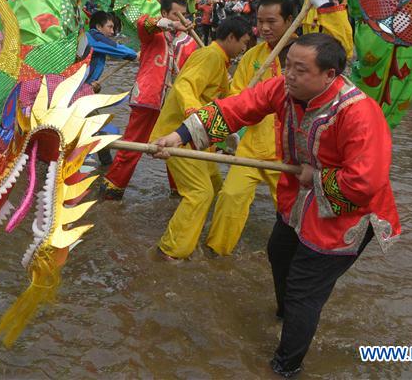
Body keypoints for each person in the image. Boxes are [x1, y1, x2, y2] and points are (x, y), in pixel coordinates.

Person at [154, 33, 399, 377]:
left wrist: (315, 176)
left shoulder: (358, 112)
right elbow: (237, 108)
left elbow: (364, 182)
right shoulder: (283, 90)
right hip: (301, 199)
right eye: (287, 66)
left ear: (330, 74)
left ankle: (286, 366)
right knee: (278, 252)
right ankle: (290, 317)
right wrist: (178, 136)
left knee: (304, 288)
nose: (290, 76)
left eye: (301, 69)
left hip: (346, 213)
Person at [206, 0, 353, 256]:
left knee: (297, 210)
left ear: (289, 20)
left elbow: (343, 47)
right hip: (251, 148)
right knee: (230, 197)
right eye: (260, 22)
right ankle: (217, 254)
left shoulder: (306, 53)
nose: (264, 28)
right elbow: (238, 98)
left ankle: (307, 255)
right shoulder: (253, 57)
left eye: (271, 21)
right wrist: (229, 131)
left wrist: (328, 8)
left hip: (291, 152)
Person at [151, 17, 253, 259]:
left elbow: (226, 100)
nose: (244, 49)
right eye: (244, 43)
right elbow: (184, 86)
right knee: (200, 193)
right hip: (179, 134)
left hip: (202, 139)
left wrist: (227, 134)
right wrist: (194, 116)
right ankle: (171, 251)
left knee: (216, 186)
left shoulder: (221, 61)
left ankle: (199, 235)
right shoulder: (211, 56)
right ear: (231, 38)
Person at [100, 0, 197, 200]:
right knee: (133, 144)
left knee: (177, 146)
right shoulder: (153, 34)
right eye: (175, 14)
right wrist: (172, 24)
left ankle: (180, 189)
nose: (181, 20)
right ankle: (113, 186)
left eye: (184, 15)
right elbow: (143, 22)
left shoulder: (188, 42)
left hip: (173, 102)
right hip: (147, 97)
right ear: (164, 14)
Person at [85, 11, 137, 94]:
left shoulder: (89, 36)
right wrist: (135, 55)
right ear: (98, 27)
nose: (112, 31)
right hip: (81, 85)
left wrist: (94, 84)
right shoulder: (95, 37)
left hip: (84, 84)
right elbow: (116, 48)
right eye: (110, 27)